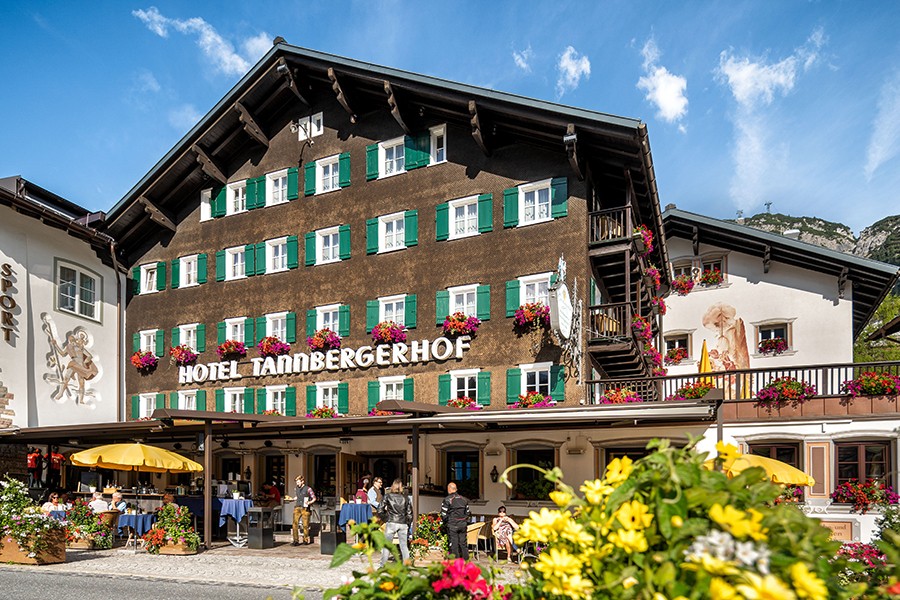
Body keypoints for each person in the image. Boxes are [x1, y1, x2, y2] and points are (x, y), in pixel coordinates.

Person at [378, 478, 412, 567]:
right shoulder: (406, 498)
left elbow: (380, 509)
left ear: (393, 486)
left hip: (391, 522)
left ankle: (382, 566)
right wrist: (408, 524)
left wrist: (386, 519)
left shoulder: (388, 496)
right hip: (403, 523)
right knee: (404, 546)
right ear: (401, 487)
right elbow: (410, 514)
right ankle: (406, 566)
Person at [440, 482, 470, 559]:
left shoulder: (447, 500)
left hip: (452, 525)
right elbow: (467, 513)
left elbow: (443, 514)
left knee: (454, 545)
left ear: (448, 489)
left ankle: (456, 563)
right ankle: (466, 562)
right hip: (462, 524)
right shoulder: (464, 499)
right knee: (463, 544)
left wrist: (448, 522)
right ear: (456, 489)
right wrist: (463, 519)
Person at [285, 475, 316, 546]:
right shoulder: (296, 488)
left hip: (305, 508)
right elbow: (297, 497)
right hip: (297, 507)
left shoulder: (308, 489)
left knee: (305, 525)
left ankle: (305, 540)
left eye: (298, 482)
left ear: (302, 481)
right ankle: (295, 540)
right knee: (294, 524)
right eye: (296, 482)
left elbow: (314, 498)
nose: (297, 484)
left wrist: (309, 502)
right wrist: (292, 499)